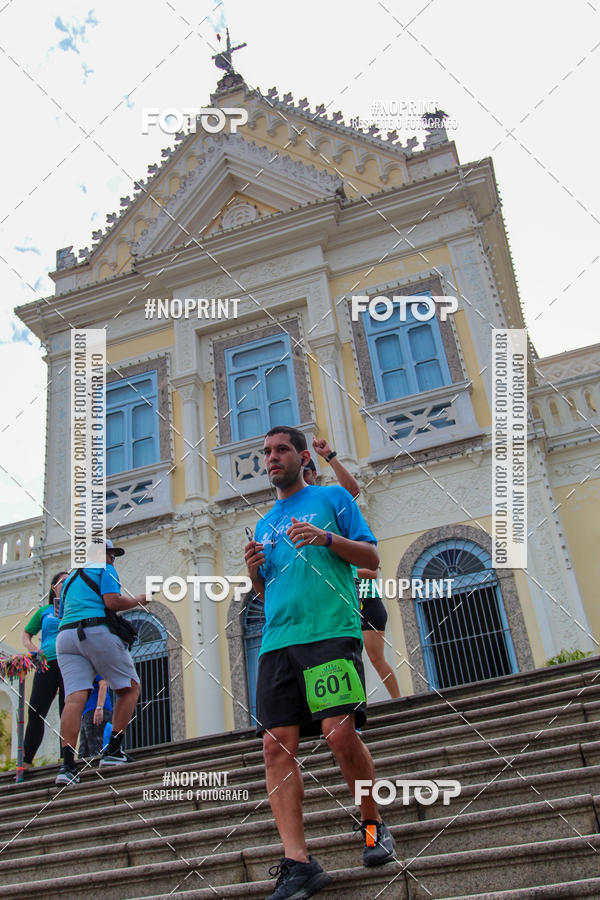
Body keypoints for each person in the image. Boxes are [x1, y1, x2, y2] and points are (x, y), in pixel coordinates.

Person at [245, 426, 396, 900]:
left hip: (330, 631)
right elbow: (264, 593)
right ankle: (298, 862)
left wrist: (326, 538)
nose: (272, 458)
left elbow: (371, 554)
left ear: (301, 456)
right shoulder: (264, 523)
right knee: (275, 748)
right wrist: (254, 571)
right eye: (266, 452)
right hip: (276, 643)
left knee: (339, 731)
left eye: (281, 450)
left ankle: (372, 827)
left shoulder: (333, 498)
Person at [303, 442, 400, 699]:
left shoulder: (330, 500)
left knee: (374, 656)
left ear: (313, 475)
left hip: (364, 599)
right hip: (333, 601)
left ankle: (399, 702)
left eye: (306, 473)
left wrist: (330, 456)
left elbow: (372, 571)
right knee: (333, 660)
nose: (302, 479)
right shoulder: (292, 512)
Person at [55, 539, 150, 785]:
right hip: (94, 630)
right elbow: (112, 602)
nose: (112, 559)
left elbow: (61, 613)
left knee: (74, 698)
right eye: (110, 554)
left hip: (65, 637)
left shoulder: (69, 580)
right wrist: (139, 599)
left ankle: (67, 767)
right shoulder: (104, 569)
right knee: (130, 688)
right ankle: (113, 751)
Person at [20, 571, 68, 769]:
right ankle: (27, 759)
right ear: (53, 587)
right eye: (63, 581)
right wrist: (35, 652)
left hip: (69, 660)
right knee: (36, 711)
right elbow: (26, 633)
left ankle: (67, 757)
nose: (66, 584)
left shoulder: (75, 607)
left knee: (67, 709)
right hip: (46, 662)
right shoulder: (45, 611)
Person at [78, 675, 112, 759]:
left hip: (95, 708)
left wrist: (99, 707)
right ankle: (85, 770)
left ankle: (97, 770)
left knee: (94, 746)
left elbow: (103, 683)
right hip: (88, 710)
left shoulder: (95, 665)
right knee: (84, 749)